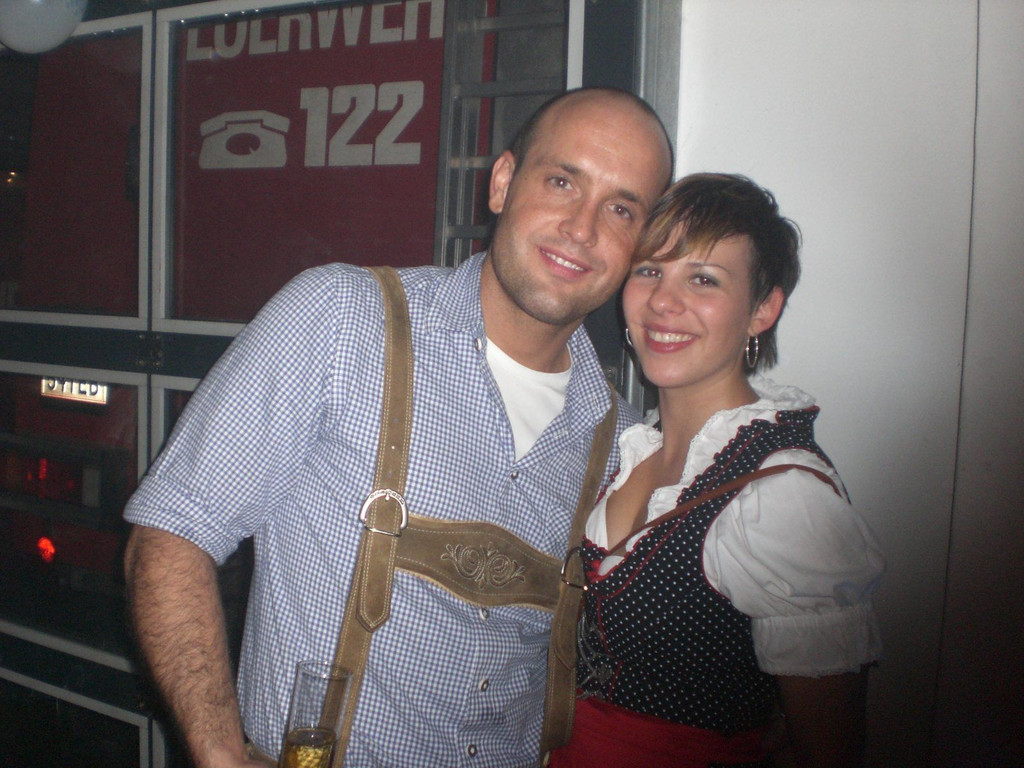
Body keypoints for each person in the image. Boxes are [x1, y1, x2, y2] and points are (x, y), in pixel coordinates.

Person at [122, 87, 673, 768]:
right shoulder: (342, 320)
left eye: (621, 209)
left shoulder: (619, 440)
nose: (582, 228)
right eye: (562, 181)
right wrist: (219, 756)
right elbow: (172, 535)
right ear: (503, 182)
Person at [548, 173, 884, 768]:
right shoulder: (624, 445)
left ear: (763, 309)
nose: (663, 302)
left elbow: (829, 751)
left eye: (703, 279)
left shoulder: (781, 495)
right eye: (649, 270)